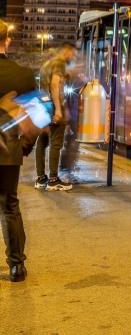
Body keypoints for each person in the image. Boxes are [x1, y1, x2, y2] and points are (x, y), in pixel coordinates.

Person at [0, 19, 40, 282]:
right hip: (8, 149)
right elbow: (39, 116)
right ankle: (17, 266)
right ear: (7, 41)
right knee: (10, 204)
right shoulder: (22, 74)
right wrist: (24, 146)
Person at [34, 42, 76, 191]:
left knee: (42, 142)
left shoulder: (47, 64)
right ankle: (53, 180)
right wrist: (58, 109)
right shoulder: (60, 63)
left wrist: (65, 78)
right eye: (72, 54)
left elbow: (46, 84)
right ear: (66, 52)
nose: (72, 57)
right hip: (54, 107)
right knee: (56, 144)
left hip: (43, 107)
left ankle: (40, 178)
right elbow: (54, 85)